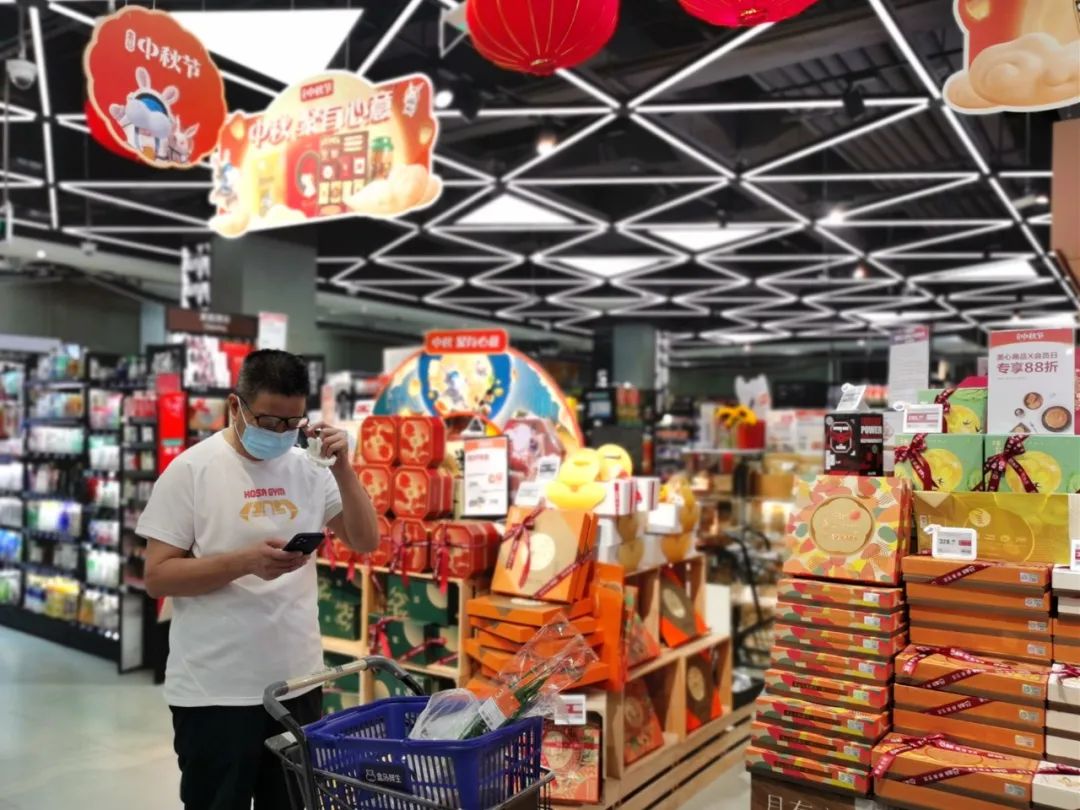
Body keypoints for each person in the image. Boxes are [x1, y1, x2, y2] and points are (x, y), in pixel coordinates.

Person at [138, 349, 378, 810]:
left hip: (297, 683)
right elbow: (158, 576)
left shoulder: (310, 466)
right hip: (214, 692)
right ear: (236, 406)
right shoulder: (191, 470)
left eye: (293, 423)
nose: (282, 433)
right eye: (270, 421)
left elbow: (365, 539)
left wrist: (344, 468)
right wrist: (244, 562)